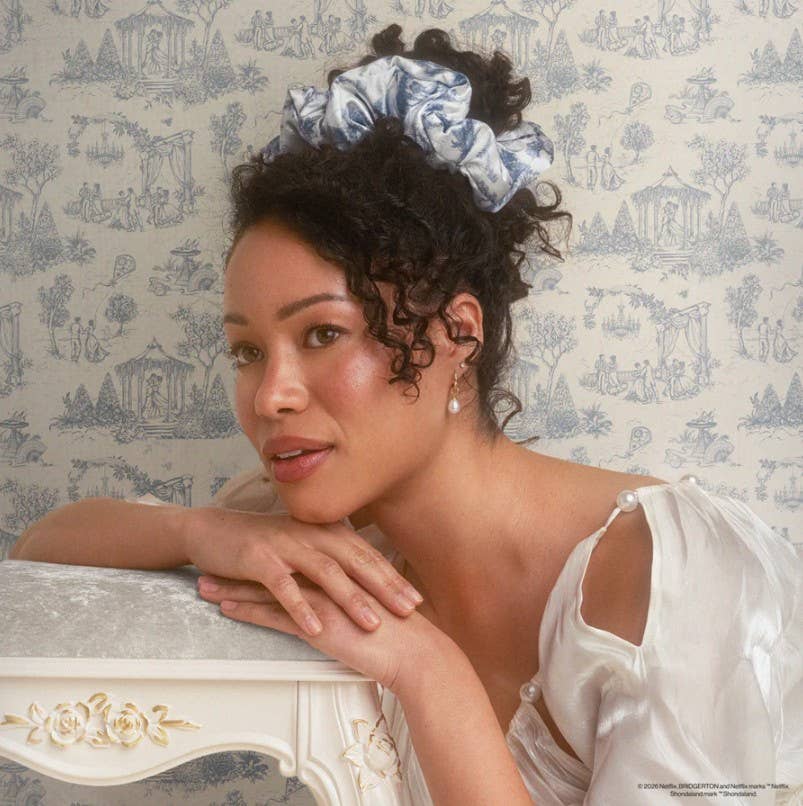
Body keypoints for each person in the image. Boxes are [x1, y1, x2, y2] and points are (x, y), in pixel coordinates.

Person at [10, 25, 801, 806]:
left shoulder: (677, 577)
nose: (269, 396)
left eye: (322, 334)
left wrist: (430, 675)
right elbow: (43, 554)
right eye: (246, 352)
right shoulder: (326, 541)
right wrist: (197, 532)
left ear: (457, 332)